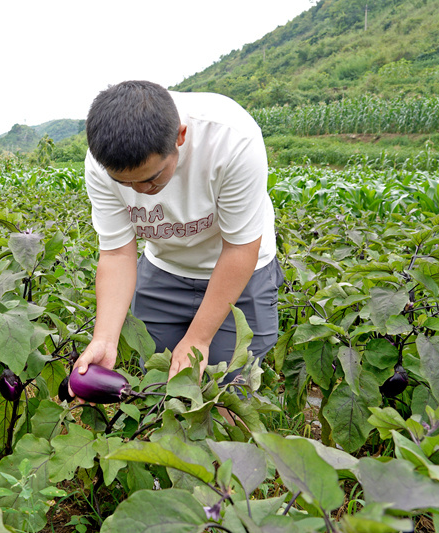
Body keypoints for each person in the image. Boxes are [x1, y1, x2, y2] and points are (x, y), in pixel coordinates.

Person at [71, 80, 283, 393]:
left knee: (225, 390)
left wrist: (198, 339)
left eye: (151, 179)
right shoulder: (100, 163)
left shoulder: (232, 138)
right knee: (159, 386)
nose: (141, 192)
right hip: (165, 270)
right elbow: (117, 253)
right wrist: (104, 339)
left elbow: (240, 248)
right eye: (126, 184)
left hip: (241, 272)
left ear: (180, 137)